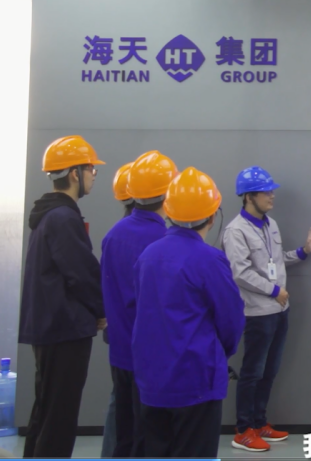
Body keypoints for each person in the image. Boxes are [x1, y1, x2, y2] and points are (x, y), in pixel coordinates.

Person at [133, 167, 245, 459]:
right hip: (196, 379)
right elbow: (231, 320)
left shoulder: (148, 255)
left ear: (168, 213)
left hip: (152, 380)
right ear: (213, 216)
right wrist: (220, 354)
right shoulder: (209, 259)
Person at [221, 166, 311, 453]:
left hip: (280, 311)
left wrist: (303, 251)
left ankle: (259, 423)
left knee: (269, 371)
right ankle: (243, 430)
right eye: (266, 192)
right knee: (252, 372)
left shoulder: (271, 224)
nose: (272, 196)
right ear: (249, 196)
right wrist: (274, 291)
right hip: (257, 313)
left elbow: (275, 262)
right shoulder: (235, 231)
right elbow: (240, 273)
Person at [18, 135, 107, 458]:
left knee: (46, 410)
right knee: (60, 417)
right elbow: (81, 273)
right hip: (64, 329)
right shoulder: (63, 218)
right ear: (74, 174)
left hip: (50, 327)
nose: (94, 175)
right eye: (91, 169)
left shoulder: (49, 214)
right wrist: (101, 309)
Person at [99, 151, 177, 458]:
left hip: (120, 353)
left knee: (124, 436)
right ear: (168, 194)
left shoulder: (113, 235)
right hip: (153, 359)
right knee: (152, 441)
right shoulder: (165, 241)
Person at [100, 160, 133, 459]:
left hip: (119, 340)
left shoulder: (114, 235)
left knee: (119, 406)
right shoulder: (154, 238)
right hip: (142, 346)